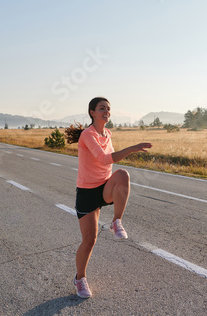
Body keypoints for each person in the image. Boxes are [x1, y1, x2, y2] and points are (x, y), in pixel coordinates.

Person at [65, 97, 152, 299]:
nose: (106, 111)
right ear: (92, 112)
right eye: (102, 108)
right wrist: (131, 148)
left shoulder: (108, 133)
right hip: (87, 193)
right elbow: (104, 159)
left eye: (108, 109)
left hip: (104, 187)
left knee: (122, 175)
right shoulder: (88, 135)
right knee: (89, 240)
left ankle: (116, 221)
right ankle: (80, 279)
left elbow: (109, 165)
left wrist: (112, 185)